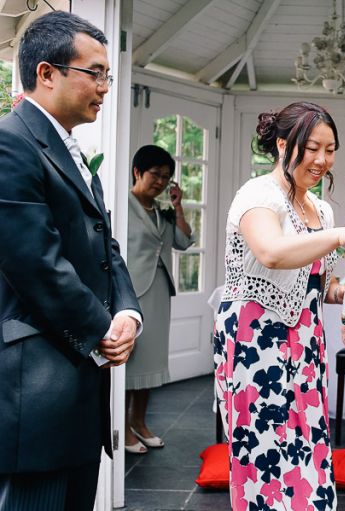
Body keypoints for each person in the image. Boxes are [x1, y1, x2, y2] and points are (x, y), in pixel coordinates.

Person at [0, 11, 141, 510]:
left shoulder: (69, 146)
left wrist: (127, 312)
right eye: (95, 72)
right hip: (36, 391)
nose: (105, 86)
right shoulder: (11, 142)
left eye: (108, 74)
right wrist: (102, 328)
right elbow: (35, 264)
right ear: (46, 73)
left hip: (80, 385)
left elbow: (105, 247)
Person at [213, 101, 345, 511]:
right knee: (265, 446)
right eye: (312, 148)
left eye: (331, 149)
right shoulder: (257, 194)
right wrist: (340, 235)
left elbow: (315, 282)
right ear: (285, 144)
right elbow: (271, 253)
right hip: (256, 341)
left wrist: (344, 293)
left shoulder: (320, 209)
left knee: (305, 440)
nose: (323, 160)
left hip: (305, 339)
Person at [125, 144, 194, 454]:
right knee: (129, 361)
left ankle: (139, 422)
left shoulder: (162, 211)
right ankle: (121, 426)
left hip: (158, 292)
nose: (161, 183)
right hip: (129, 291)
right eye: (156, 175)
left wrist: (177, 207)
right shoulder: (120, 201)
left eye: (167, 178)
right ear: (138, 172)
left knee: (150, 361)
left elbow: (183, 241)